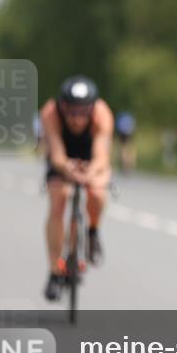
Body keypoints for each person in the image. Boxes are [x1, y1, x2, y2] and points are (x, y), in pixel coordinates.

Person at [40, 75, 114, 301]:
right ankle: (54, 270)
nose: (77, 119)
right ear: (63, 106)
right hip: (63, 156)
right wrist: (66, 168)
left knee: (98, 193)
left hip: (90, 154)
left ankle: (92, 231)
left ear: (91, 109)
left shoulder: (102, 114)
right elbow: (56, 153)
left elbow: (102, 156)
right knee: (58, 200)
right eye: (72, 112)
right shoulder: (50, 113)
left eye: (83, 112)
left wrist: (91, 172)